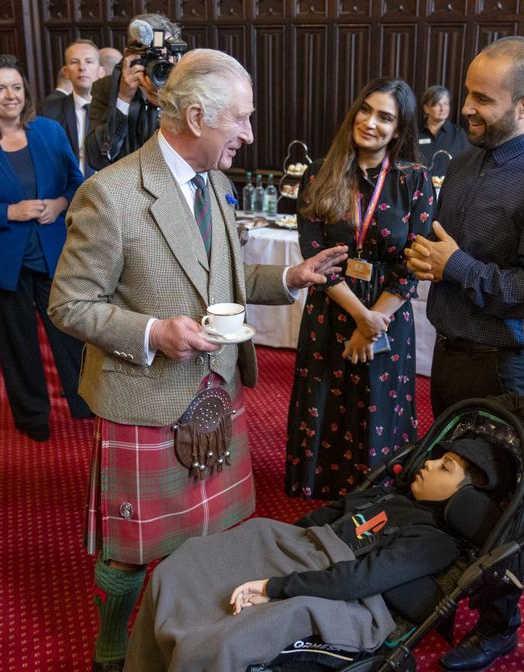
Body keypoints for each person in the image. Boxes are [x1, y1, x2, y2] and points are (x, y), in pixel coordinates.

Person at [47, 49, 348, 672]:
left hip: (215, 392)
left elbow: (222, 280)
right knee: (127, 550)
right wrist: (154, 331)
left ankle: (191, 626)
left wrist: (288, 275)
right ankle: (112, 635)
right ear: (193, 116)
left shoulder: (218, 182)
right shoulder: (110, 194)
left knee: (215, 539)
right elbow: (69, 305)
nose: (250, 134)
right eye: (240, 119)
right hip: (145, 398)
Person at [405, 36, 524, 670]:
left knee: (497, 501)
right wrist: (435, 261)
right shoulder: (465, 160)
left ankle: (498, 625)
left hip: (504, 366)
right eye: (468, 94)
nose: (467, 109)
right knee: (447, 488)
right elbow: (457, 254)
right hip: (454, 355)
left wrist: (457, 266)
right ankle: (443, 593)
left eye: (484, 99)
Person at [123, 438, 511, 671]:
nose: (427, 463)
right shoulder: (393, 496)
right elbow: (326, 516)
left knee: (223, 642)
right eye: (436, 457)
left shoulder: (434, 542)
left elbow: (359, 579)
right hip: (301, 549)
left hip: (347, 597)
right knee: (178, 569)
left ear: (468, 502)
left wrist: (275, 587)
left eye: (445, 467)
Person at [285, 78, 434, 500]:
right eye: (365, 110)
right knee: (326, 398)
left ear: (400, 128)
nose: (370, 122)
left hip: (388, 312)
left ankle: (374, 492)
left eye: (385, 117)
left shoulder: (415, 180)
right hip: (332, 310)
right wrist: (360, 317)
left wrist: (373, 323)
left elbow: (415, 263)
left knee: (379, 406)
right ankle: (321, 488)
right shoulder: (319, 172)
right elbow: (314, 254)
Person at [0, 54, 89, 443]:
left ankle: (86, 401)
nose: (10, 95)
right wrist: (10, 210)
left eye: (16, 86)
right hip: (1, 262)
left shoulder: (48, 130)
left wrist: (60, 204)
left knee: (70, 333)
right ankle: (32, 416)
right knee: (18, 342)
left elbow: (76, 183)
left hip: (52, 254)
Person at [85, 13, 181, 170]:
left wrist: (166, 106)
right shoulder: (105, 88)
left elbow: (195, 151)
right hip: (124, 186)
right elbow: (98, 158)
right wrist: (123, 98)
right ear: (129, 54)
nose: (160, 64)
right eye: (152, 56)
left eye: (166, 56)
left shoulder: (188, 90)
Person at [43, 39, 102, 178]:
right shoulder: (50, 112)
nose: (82, 67)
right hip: (68, 191)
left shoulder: (114, 110)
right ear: (66, 72)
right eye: (74, 62)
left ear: (101, 71)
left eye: (89, 61)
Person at [417, 84, 468, 174]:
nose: (442, 108)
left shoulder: (459, 134)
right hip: (421, 186)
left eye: (446, 104)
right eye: (437, 104)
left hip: (451, 186)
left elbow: (468, 163)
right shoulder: (415, 132)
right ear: (426, 108)